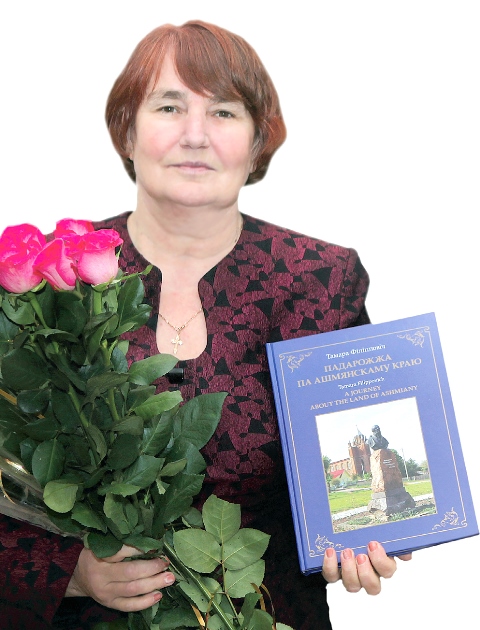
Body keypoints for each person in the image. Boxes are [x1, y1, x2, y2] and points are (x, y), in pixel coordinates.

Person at [0, 20, 412, 629]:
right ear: (127, 131)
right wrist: (71, 571)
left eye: (223, 112)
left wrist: (369, 537)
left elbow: (358, 475)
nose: (195, 135)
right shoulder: (46, 280)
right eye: (169, 107)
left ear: (257, 141)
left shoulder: (321, 281)